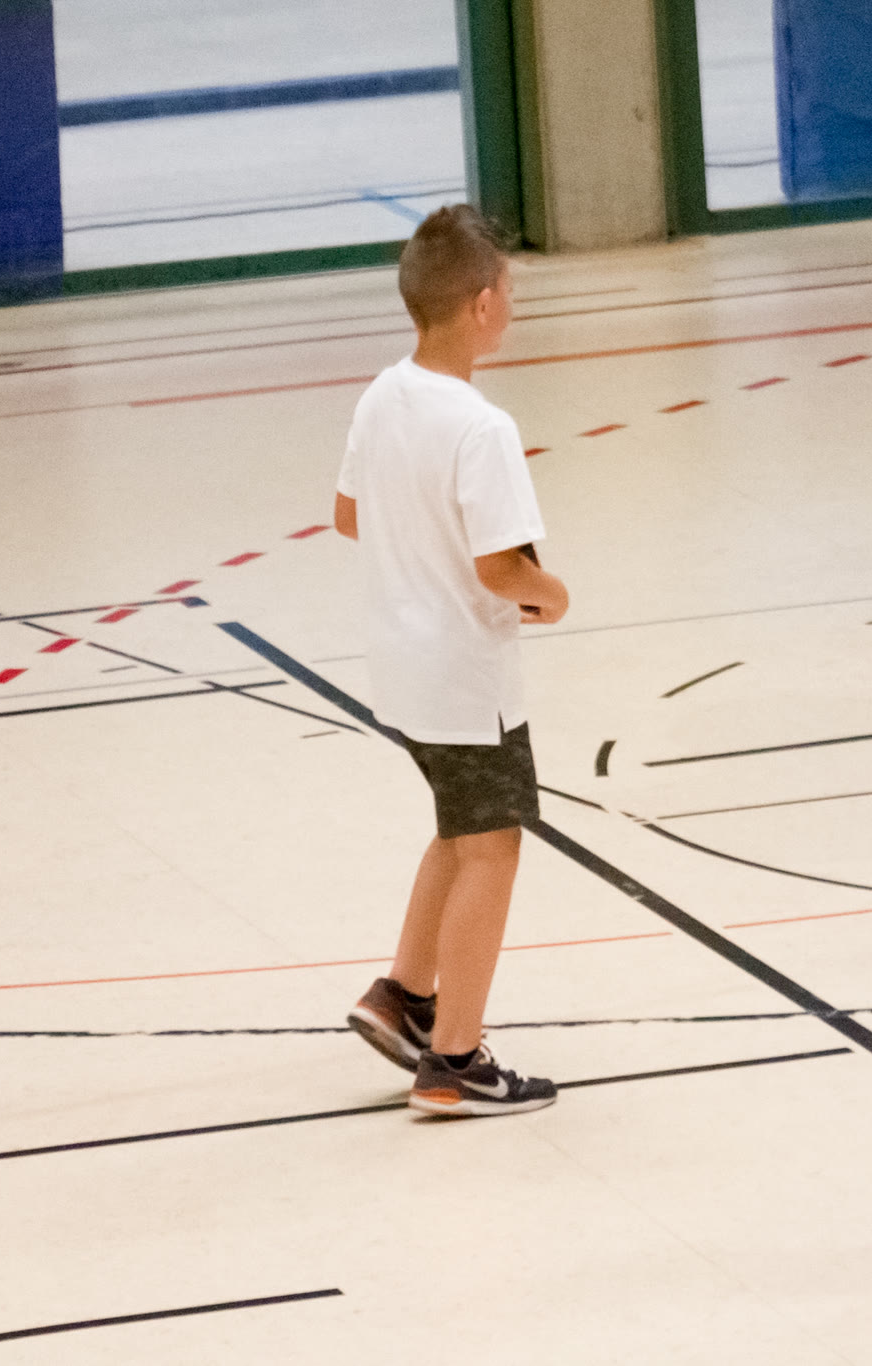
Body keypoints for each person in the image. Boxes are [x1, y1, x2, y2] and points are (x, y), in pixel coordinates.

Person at [334, 204, 569, 1117]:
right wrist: (553, 595)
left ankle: (403, 994)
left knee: (460, 829)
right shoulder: (481, 427)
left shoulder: (382, 395)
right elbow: (500, 567)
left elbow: (350, 515)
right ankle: (457, 1060)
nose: (512, 303)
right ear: (480, 305)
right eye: (508, 289)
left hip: (401, 666)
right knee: (494, 848)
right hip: (467, 677)